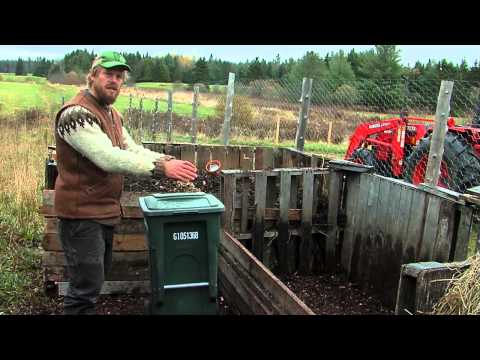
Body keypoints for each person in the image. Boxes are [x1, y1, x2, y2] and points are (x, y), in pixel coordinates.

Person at [54, 50, 198, 315]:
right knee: (84, 290)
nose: (115, 81)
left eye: (119, 77)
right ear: (93, 76)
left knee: (93, 283)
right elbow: (108, 158)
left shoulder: (111, 113)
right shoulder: (76, 115)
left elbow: (131, 148)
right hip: (81, 216)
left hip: (101, 212)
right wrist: (161, 168)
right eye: (108, 74)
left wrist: (168, 161)